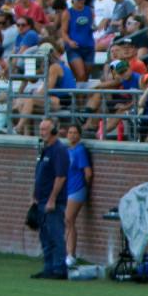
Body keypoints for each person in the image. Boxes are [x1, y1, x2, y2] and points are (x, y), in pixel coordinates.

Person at [31, 116, 69, 279]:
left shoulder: (59, 150)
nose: (42, 132)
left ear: (54, 130)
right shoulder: (45, 149)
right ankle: (48, 268)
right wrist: (34, 196)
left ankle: (59, 269)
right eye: (41, 129)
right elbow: (40, 175)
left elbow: (60, 177)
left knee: (55, 235)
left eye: (45, 129)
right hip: (41, 200)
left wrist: (52, 199)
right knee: (45, 236)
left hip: (52, 201)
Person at [61, 120, 92, 271]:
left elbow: (88, 172)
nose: (72, 135)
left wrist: (83, 186)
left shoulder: (80, 150)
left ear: (79, 135)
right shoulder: (68, 150)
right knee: (68, 222)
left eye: (75, 133)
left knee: (68, 219)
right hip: (68, 189)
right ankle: (68, 253)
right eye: (70, 132)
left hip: (77, 189)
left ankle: (71, 255)